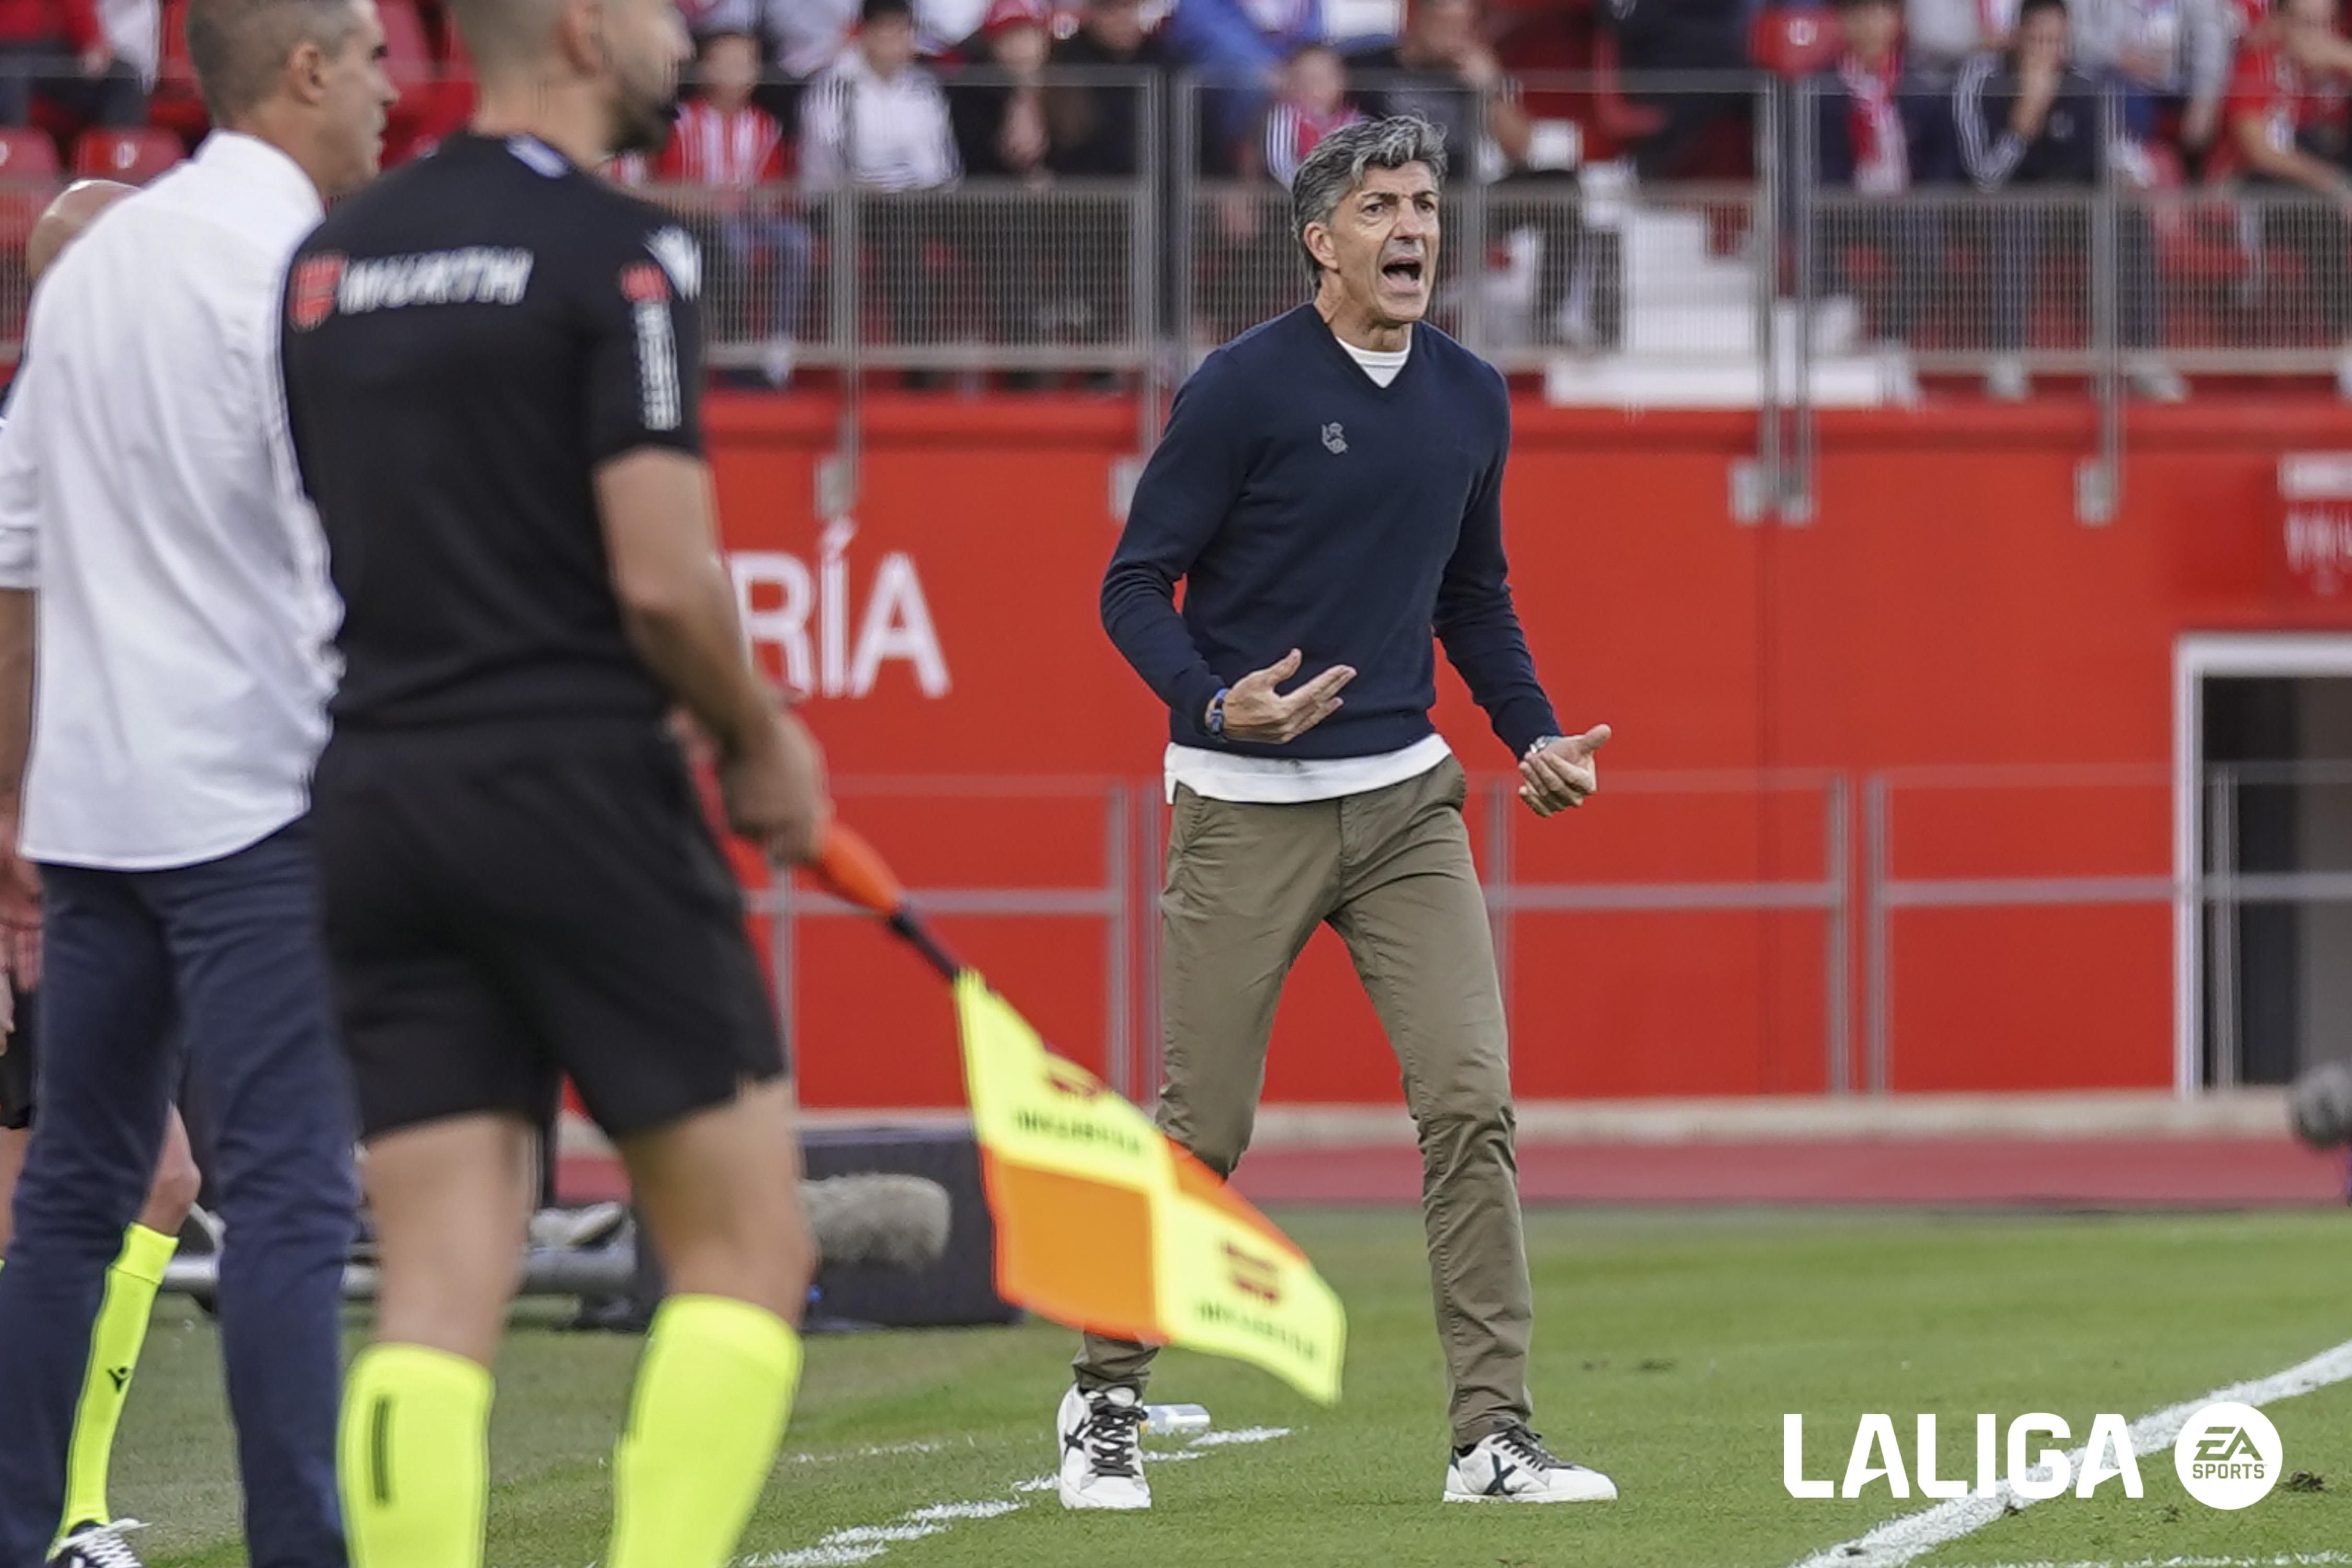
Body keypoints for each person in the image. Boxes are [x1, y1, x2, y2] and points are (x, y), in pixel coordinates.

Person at [276, 0, 831, 1562]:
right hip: (576, 785)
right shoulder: (624, 254)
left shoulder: (331, 266)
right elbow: (660, 581)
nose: (684, 35)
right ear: (588, 29)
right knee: (743, 1248)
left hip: (378, 791)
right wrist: (757, 734)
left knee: (441, 1289)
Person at [1082, 114, 1617, 1512]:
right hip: (1242, 806)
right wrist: (1214, 707)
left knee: (1470, 1106)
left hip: (1404, 807)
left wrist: (1530, 731)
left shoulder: (1471, 398)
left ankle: (1492, 1439)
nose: (1410, 229)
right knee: (1202, 1130)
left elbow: (1472, 596)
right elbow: (1132, 586)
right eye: (1379, 205)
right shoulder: (1241, 390)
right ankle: (1102, 1404)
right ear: (1317, 239)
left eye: (1426, 204)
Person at [0, 2, 394, 1565]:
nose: (383, 90)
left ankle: (24, 1528)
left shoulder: (86, 286)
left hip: (94, 815)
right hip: (255, 802)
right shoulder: (295, 282)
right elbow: (351, 559)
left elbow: (14, 561)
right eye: (367, 59)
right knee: (294, 1191)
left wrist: (11, 803)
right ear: (302, 70)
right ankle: (304, 1543)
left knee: (76, 1194)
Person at [0, 179, 207, 1568]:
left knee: (150, 1182)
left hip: (88, 876)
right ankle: (51, 1514)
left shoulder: (132, 447)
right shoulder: (31, 449)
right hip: (25, 889)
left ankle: (62, 1507)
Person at [1955, 0, 2186, 399]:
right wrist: (2025, 119)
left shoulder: (2085, 83)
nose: (2049, 50)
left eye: (2057, 41)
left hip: (2072, 208)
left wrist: (2129, 181)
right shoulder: (1981, 78)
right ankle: (2006, 360)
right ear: (2016, 37)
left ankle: (2144, 358)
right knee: (2017, 217)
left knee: (2128, 218)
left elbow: (2110, 157)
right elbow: (1984, 179)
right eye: (2039, 39)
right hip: (1999, 206)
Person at [1352, 0, 1616, 349]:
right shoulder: (1369, 66)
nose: (1455, 38)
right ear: (1418, 21)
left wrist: (1490, 87)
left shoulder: (1470, 72)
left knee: (1560, 185)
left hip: (1461, 205)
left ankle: (1550, 320)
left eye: (1464, 28)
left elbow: (1520, 151)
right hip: (1391, 206)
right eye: (1446, 26)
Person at [800, 0, 960, 365]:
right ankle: (916, 358)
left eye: (903, 31)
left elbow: (942, 161)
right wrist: (893, 189)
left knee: (993, 224)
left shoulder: (925, 88)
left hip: (914, 202)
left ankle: (1020, 367)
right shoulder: (835, 85)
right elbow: (841, 161)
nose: (896, 41)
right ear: (866, 34)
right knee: (899, 229)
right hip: (839, 204)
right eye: (886, 30)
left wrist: (929, 191)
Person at [659, 29, 809, 387]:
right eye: (725, 63)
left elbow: (774, 189)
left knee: (796, 242)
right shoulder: (681, 122)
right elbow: (670, 185)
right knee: (732, 242)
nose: (736, 72)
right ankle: (731, 345)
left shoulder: (765, 126)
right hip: (700, 221)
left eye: (744, 64)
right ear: (704, 68)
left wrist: (758, 203)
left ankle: (779, 344)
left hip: (751, 216)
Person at [2222, 0, 2352, 392]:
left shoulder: (2339, 64)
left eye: (2326, 23)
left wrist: (2343, 58)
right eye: (2306, 24)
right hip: (2260, 193)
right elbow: (2258, 150)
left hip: (2330, 180)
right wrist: (2335, 185)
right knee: (2319, 218)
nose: (2317, 34)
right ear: (2280, 22)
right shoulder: (2259, 61)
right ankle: (2349, 347)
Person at [1808, 0, 1953, 351]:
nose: (1873, 25)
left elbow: (1943, 157)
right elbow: (1809, 159)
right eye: (1862, 15)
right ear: (1844, 23)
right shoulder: (1821, 87)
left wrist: (1925, 197)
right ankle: (1838, 304)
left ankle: (1891, 339)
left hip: (1905, 204)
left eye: (1882, 14)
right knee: (1805, 214)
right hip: (1843, 203)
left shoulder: (1923, 86)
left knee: (1927, 242)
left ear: (1897, 22)